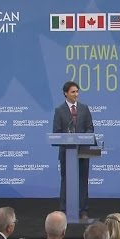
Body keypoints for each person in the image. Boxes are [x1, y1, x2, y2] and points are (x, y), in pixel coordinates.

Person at [52, 81, 94, 220]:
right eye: (73, 92)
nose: (76, 94)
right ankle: (63, 210)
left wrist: (83, 137)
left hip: (83, 151)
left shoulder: (84, 108)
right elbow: (56, 132)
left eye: (77, 91)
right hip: (67, 152)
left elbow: (90, 128)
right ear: (65, 93)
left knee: (83, 181)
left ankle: (83, 211)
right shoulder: (59, 111)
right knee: (66, 181)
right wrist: (69, 138)